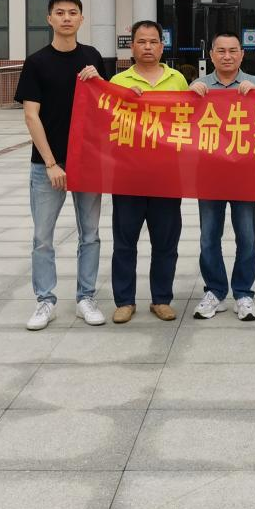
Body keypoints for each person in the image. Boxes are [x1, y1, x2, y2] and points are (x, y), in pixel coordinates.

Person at [14, 0, 106, 331]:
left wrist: (99, 80)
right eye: (60, 13)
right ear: (49, 19)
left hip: (88, 162)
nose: (67, 18)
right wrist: (52, 163)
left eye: (73, 12)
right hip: (47, 166)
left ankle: (86, 298)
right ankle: (45, 301)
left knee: (90, 234)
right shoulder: (37, 62)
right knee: (43, 237)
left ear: (82, 19)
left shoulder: (93, 57)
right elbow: (31, 115)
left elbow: (107, 107)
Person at [108, 20, 189, 324]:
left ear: (162, 46)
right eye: (141, 42)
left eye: (153, 41)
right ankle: (124, 301)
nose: (148, 47)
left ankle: (161, 299)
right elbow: (104, 123)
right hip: (128, 176)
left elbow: (191, 121)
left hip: (167, 177)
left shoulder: (177, 79)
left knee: (166, 242)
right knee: (124, 242)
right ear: (132, 46)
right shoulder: (118, 81)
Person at [189, 32, 255, 322]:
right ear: (211, 54)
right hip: (209, 174)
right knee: (209, 236)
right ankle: (215, 291)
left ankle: (243, 293)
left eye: (233, 50)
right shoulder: (199, 85)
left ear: (242, 54)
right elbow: (183, 126)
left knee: (247, 237)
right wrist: (189, 96)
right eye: (221, 50)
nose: (227, 56)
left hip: (245, 174)